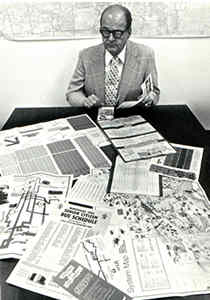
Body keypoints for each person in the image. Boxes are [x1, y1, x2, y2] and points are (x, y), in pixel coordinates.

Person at [66, 4, 160, 108]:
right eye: (105, 32)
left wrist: (151, 98)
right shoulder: (86, 56)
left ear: (129, 32)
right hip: (97, 116)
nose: (110, 38)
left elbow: (154, 92)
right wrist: (84, 101)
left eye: (117, 33)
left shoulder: (145, 55)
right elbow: (73, 92)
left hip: (130, 118)